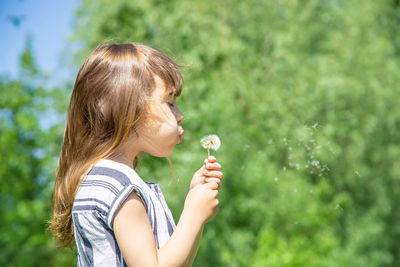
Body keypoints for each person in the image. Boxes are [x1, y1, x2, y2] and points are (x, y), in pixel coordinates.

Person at [49, 42, 224, 266]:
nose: (180, 115)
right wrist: (193, 214)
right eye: (169, 103)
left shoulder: (112, 181)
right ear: (129, 109)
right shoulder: (119, 186)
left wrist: (196, 211)